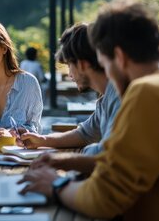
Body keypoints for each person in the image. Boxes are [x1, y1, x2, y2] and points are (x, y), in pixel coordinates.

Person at [18, 0, 159, 220]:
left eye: (105, 63)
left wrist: (56, 185)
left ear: (119, 56)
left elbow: (105, 198)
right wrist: (67, 161)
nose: (106, 73)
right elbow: (126, 164)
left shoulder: (146, 93)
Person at [18, 23, 120, 173]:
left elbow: (109, 158)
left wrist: (62, 167)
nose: (69, 75)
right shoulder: (106, 97)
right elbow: (85, 133)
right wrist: (43, 140)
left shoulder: (120, 96)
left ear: (82, 64)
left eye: (69, 65)